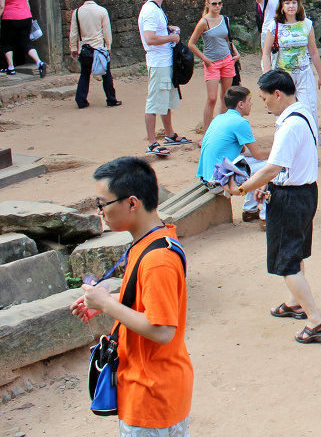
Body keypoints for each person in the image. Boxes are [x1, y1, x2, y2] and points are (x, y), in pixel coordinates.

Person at [72, 156, 192, 434]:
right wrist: (105, 303)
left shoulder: (157, 259)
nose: (100, 210)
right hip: (152, 388)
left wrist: (106, 303)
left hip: (152, 396)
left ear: (132, 203)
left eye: (104, 203)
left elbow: (162, 330)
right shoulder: (151, 241)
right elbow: (147, 304)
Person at [229, 70, 321, 344]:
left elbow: (272, 168)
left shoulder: (289, 125)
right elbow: (285, 165)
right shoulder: (303, 113)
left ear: (277, 94)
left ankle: (316, 320)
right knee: (295, 252)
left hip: (290, 198)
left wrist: (242, 189)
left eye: (264, 99)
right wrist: (267, 186)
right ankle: (294, 302)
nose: (264, 105)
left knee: (286, 262)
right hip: (304, 191)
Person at [196, 85, 270, 223]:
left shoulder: (219, 118)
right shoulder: (240, 122)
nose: (251, 103)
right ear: (240, 104)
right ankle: (265, 217)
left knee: (256, 165)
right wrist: (277, 152)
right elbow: (258, 155)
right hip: (219, 181)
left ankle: (250, 210)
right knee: (271, 168)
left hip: (207, 177)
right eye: (249, 100)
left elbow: (244, 152)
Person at [260, 0, 321, 143]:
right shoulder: (274, 26)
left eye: (294, 2)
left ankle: (311, 147)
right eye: (287, 3)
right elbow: (266, 53)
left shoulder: (306, 24)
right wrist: (268, 77)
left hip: (304, 72)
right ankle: (285, 148)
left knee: (309, 110)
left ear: (298, 4)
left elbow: (314, 52)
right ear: (282, 6)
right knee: (283, 112)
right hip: (283, 76)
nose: (291, 6)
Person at [140, 0, 191, 157]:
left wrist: (168, 30)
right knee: (154, 102)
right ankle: (152, 142)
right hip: (159, 62)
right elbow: (150, 38)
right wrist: (171, 37)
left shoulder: (155, 9)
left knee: (165, 100)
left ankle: (169, 134)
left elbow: (154, 33)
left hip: (164, 61)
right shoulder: (151, 11)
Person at [187, 0, 239, 131]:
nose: (217, 6)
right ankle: (206, 132)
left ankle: (221, 129)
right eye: (214, 3)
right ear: (207, 4)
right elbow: (191, 44)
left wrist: (236, 53)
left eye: (219, 3)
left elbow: (227, 40)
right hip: (212, 63)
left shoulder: (225, 19)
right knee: (212, 98)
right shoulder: (204, 22)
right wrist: (205, 59)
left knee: (225, 96)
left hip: (227, 60)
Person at [69, 0, 120, 109]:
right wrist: (108, 46)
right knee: (106, 74)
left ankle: (81, 101)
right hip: (100, 49)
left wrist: (73, 49)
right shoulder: (102, 11)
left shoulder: (77, 12)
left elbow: (74, 32)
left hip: (85, 49)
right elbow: (106, 31)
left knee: (85, 74)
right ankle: (111, 99)